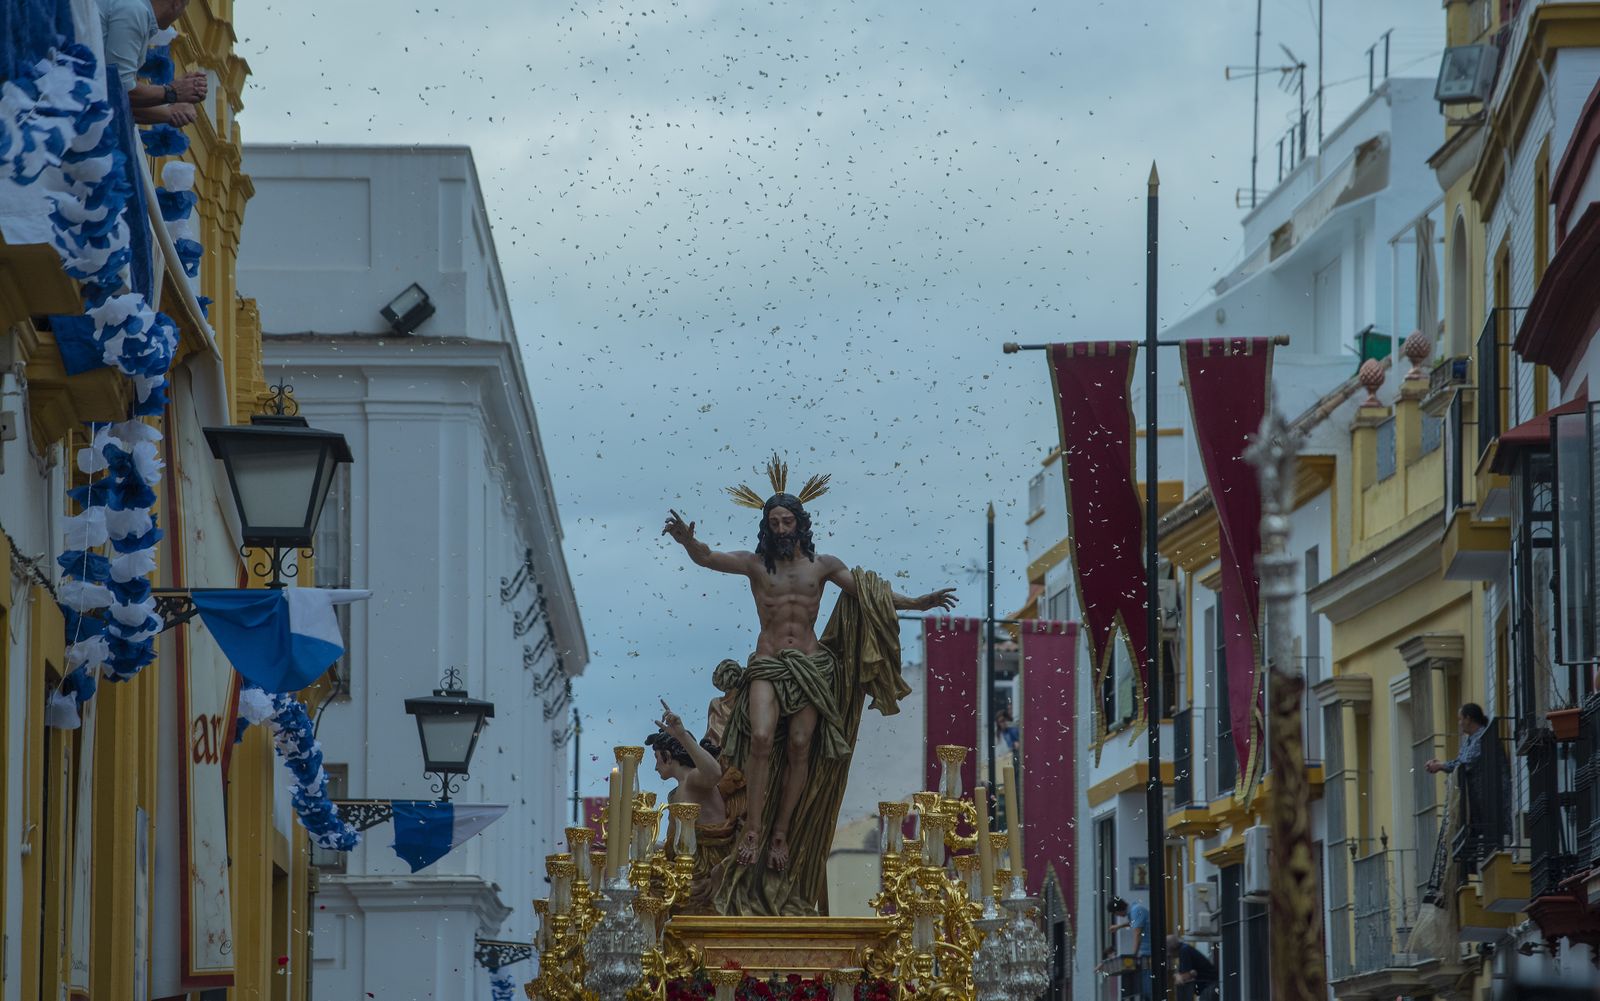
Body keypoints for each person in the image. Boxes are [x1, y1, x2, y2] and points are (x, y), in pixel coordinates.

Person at [663, 455, 955, 915]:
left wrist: (917, 600)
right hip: (769, 663)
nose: (781, 527)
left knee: (801, 746)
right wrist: (688, 540)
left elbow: (870, 595)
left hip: (814, 667)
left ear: (800, 524)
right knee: (760, 738)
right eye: (773, 520)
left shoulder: (823, 566)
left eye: (787, 519)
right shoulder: (758, 567)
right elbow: (708, 558)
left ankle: (781, 832)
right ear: (767, 527)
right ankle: (755, 828)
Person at [650, 701, 741, 915]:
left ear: (669, 756)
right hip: (689, 868)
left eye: (657, 759)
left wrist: (681, 735)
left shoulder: (694, 780)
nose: (655, 767)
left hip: (706, 871)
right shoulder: (679, 791)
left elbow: (714, 773)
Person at [97, 0, 207, 125]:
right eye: (185, 6)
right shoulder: (136, 10)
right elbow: (119, 89)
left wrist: (170, 112)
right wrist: (173, 92)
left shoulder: (135, 9)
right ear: (176, 3)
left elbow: (118, 103)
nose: (183, 13)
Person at [1425, 702, 1487, 776]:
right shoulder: (1470, 740)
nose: (1459, 723)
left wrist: (1441, 765)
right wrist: (1441, 765)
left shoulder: (1483, 737)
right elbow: (1459, 762)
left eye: (1460, 719)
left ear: (1468, 719)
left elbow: (1466, 764)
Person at [1108, 896, 1152, 998]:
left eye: (1115, 913)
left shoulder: (1136, 911)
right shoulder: (1134, 910)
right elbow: (1133, 922)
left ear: (1118, 910)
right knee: (1145, 986)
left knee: (1147, 988)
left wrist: (1133, 955)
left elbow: (1138, 933)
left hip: (1148, 953)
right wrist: (1118, 926)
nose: (1117, 916)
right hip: (1146, 952)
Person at [1167, 934, 1219, 1001]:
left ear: (1172, 948)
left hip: (1209, 985)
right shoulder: (1184, 949)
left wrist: (1176, 975)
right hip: (1210, 985)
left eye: (1169, 953)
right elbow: (1189, 973)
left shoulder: (1184, 951)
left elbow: (1185, 976)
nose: (1170, 956)